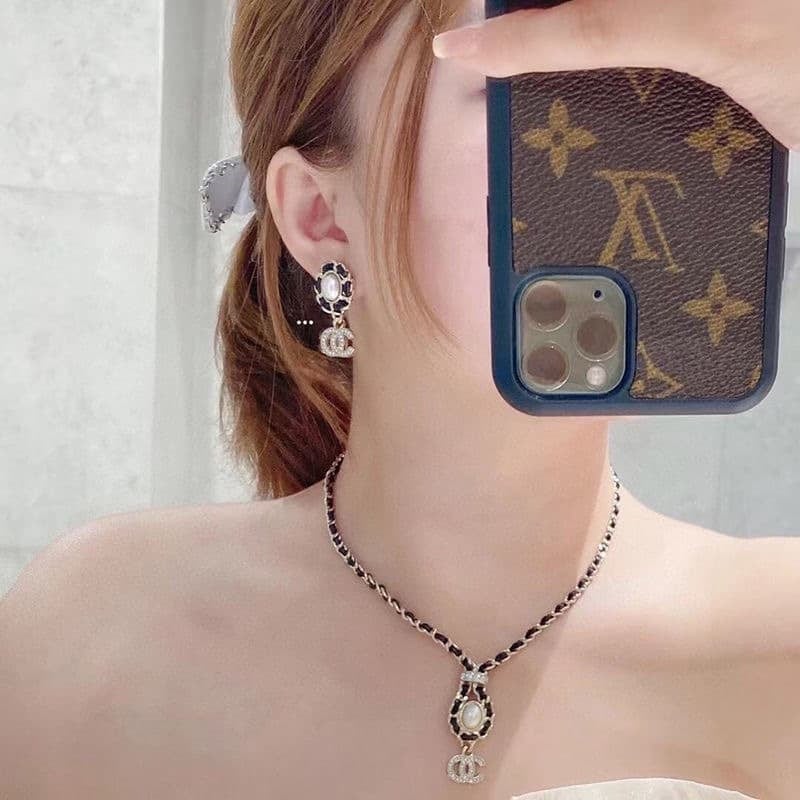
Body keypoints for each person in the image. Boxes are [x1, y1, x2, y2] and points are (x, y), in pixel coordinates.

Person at [0, 1, 797, 798]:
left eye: (662, 85)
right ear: (319, 214)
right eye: (533, 87)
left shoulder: (779, 635)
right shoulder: (102, 634)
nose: (628, 166)